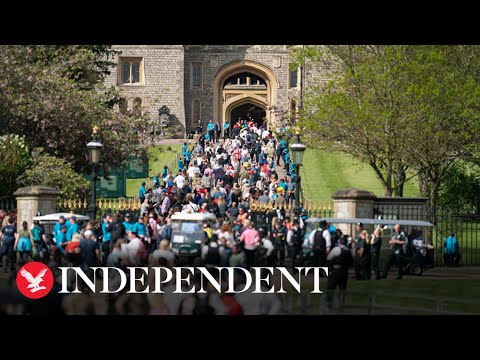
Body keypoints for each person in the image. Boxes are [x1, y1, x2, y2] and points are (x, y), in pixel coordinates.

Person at [326, 236, 354, 310]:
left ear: (339, 242)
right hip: (344, 271)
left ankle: (329, 304)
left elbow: (328, 258)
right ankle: (341, 304)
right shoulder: (348, 250)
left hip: (336, 271)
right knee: (342, 289)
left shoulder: (336, 249)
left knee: (331, 288)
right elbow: (351, 261)